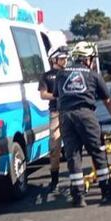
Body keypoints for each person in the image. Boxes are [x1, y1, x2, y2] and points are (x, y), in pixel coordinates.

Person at [52, 42, 111, 207]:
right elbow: (108, 101)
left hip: (66, 117)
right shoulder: (93, 75)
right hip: (86, 115)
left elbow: (57, 96)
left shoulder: (61, 74)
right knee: (98, 152)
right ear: (87, 59)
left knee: (73, 155)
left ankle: (78, 196)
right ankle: (107, 192)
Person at [38, 47, 68, 191]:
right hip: (55, 112)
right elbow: (43, 94)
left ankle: (76, 177)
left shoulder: (69, 72)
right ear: (54, 59)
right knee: (54, 146)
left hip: (69, 111)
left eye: (65, 58)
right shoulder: (46, 76)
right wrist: (58, 96)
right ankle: (54, 179)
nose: (65, 61)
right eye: (62, 58)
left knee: (73, 144)